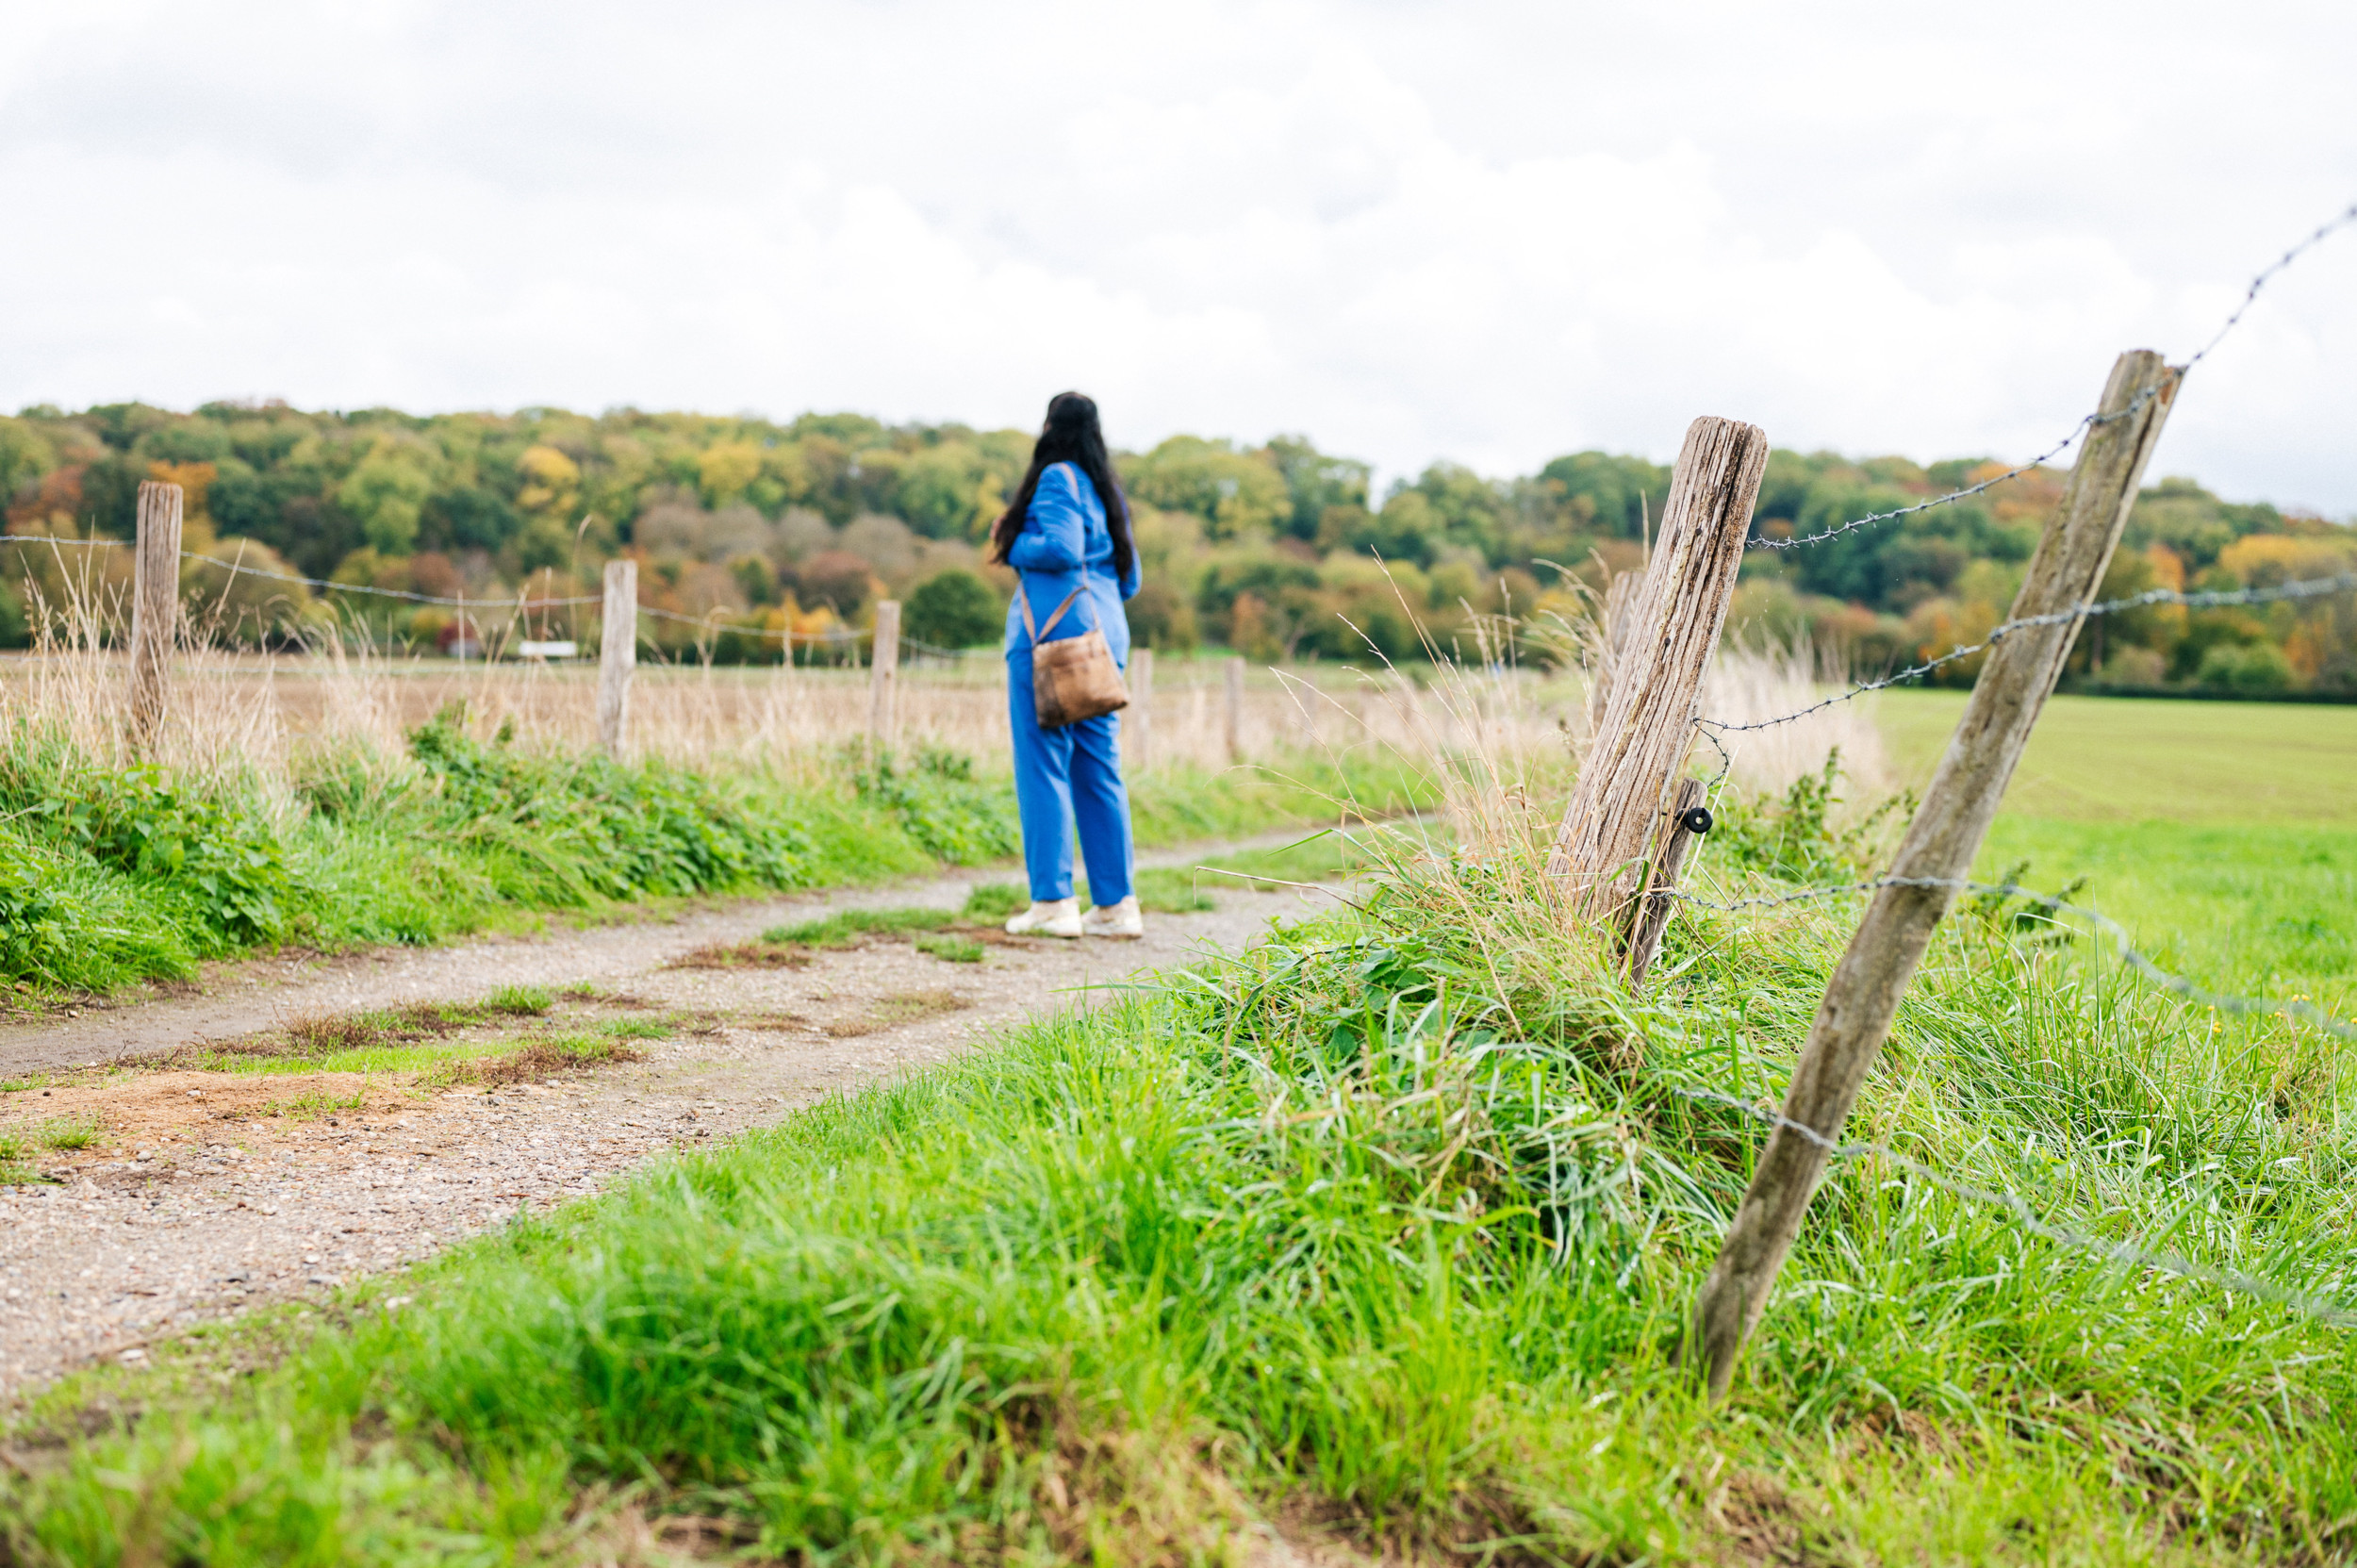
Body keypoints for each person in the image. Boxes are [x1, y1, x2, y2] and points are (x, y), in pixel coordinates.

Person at [989, 392, 1143, 939]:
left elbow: (1058, 547)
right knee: (1099, 766)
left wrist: (1011, 540)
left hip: (1052, 638)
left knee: (1043, 763)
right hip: (1106, 638)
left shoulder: (1056, 477)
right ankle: (1116, 906)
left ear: (1050, 426)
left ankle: (1054, 902)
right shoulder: (1107, 492)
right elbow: (1131, 581)